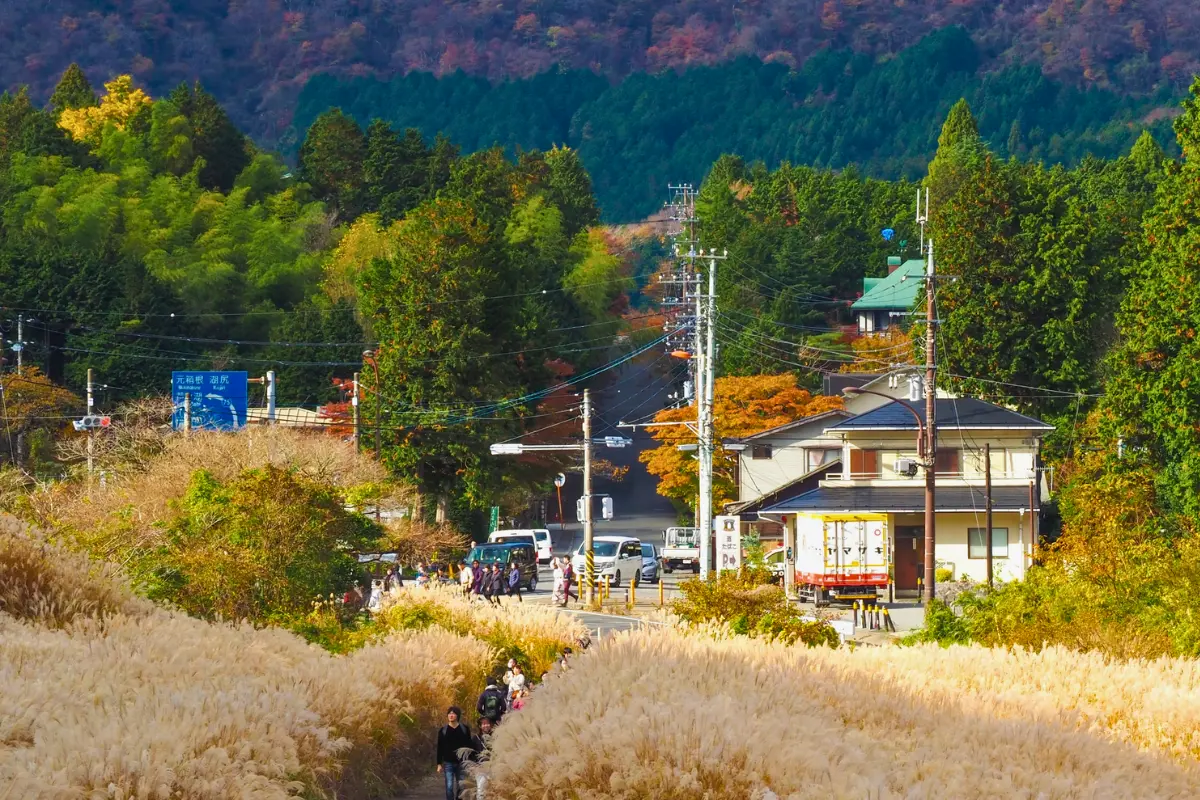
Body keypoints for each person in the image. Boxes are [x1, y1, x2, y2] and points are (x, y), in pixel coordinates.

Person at [435, 706, 474, 800]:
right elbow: (440, 747)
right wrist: (439, 764)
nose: (451, 715)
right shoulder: (443, 730)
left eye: (453, 713)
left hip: (461, 762)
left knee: (461, 787)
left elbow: (469, 746)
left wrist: (470, 762)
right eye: (449, 713)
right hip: (448, 762)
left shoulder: (464, 729)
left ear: (458, 715)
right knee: (449, 787)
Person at [470, 717, 494, 800]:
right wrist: (474, 765)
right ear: (480, 726)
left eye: (487, 723)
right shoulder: (475, 738)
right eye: (483, 724)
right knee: (481, 790)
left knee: (492, 790)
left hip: (493, 767)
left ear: (490, 725)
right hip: (480, 768)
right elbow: (471, 753)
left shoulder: (495, 737)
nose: (486, 725)